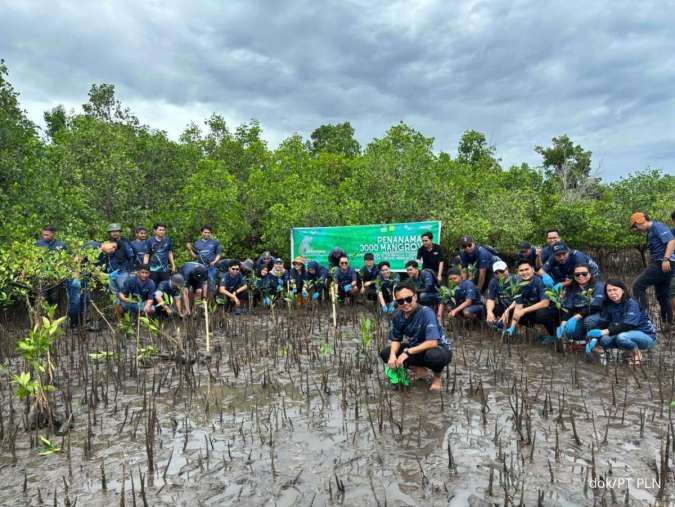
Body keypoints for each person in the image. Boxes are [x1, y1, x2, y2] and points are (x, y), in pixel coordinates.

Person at [379, 282, 452, 391]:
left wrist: (407, 352)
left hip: (439, 349)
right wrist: (393, 355)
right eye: (400, 301)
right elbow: (396, 339)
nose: (405, 303)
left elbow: (433, 342)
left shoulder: (426, 312)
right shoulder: (397, 315)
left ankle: (437, 378)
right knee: (386, 353)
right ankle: (419, 370)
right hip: (416, 349)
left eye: (408, 299)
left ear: (415, 297)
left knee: (434, 356)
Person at [586, 279, 657, 366]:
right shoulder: (609, 305)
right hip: (626, 333)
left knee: (622, 337)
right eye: (609, 291)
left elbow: (627, 325)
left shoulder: (631, 303)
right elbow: (605, 323)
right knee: (604, 340)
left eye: (615, 290)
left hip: (646, 336)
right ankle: (627, 351)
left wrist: (603, 332)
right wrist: (594, 338)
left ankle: (636, 353)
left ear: (623, 290)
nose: (612, 293)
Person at [630, 212, 674, 326]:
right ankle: (668, 322)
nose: (636, 229)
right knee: (662, 294)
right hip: (665, 264)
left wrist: (665, 259)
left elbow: (671, 241)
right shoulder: (651, 231)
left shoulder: (657, 226)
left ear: (640, 221)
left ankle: (642, 319)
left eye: (635, 226)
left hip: (662, 263)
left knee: (638, 285)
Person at [507, 260, 557, 337]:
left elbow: (545, 303)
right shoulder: (518, 284)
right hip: (532, 308)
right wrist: (512, 327)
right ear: (518, 272)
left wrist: (523, 311)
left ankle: (554, 335)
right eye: (521, 270)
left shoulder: (540, 281)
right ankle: (534, 331)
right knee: (513, 311)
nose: (524, 272)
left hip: (550, 309)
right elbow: (518, 306)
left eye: (527, 269)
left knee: (541, 314)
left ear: (533, 269)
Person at [558, 263, 605, 343]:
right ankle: (584, 341)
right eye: (577, 274)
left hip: (598, 314)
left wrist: (576, 317)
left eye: (584, 274)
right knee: (569, 333)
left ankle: (597, 338)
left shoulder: (598, 286)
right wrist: (564, 322)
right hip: (581, 316)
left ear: (590, 274)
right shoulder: (571, 288)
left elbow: (596, 306)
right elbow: (567, 307)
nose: (580, 276)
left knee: (588, 321)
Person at [98, 223, 134, 305]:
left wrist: (130, 271)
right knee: (115, 298)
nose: (115, 233)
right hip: (111, 274)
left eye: (116, 231)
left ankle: (128, 316)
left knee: (124, 296)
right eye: (112, 231)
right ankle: (119, 317)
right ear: (109, 233)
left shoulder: (125, 242)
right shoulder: (107, 243)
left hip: (122, 273)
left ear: (120, 232)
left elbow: (131, 257)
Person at [34, 225, 67, 306]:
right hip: (41, 275)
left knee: (54, 298)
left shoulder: (61, 245)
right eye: (43, 234)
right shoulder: (38, 244)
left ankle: (52, 316)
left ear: (53, 234)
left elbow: (65, 260)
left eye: (47, 235)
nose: (44, 236)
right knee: (42, 297)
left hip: (55, 276)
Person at [187, 225, 222, 295]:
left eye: (208, 233)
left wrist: (214, 261)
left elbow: (218, 254)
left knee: (211, 283)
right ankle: (200, 302)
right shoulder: (197, 243)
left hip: (211, 268)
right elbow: (195, 256)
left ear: (211, 233)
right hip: (200, 268)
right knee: (198, 285)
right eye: (205, 232)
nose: (207, 234)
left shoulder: (215, 243)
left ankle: (211, 302)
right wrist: (190, 249)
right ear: (201, 233)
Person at [485, 261, 519, 328]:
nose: (500, 274)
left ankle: (516, 326)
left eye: (502, 271)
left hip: (517, 306)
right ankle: (496, 325)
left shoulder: (516, 279)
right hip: (504, 306)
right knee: (488, 308)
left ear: (507, 269)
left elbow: (519, 300)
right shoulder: (493, 282)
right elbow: (490, 299)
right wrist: (489, 312)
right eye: (496, 273)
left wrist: (508, 310)